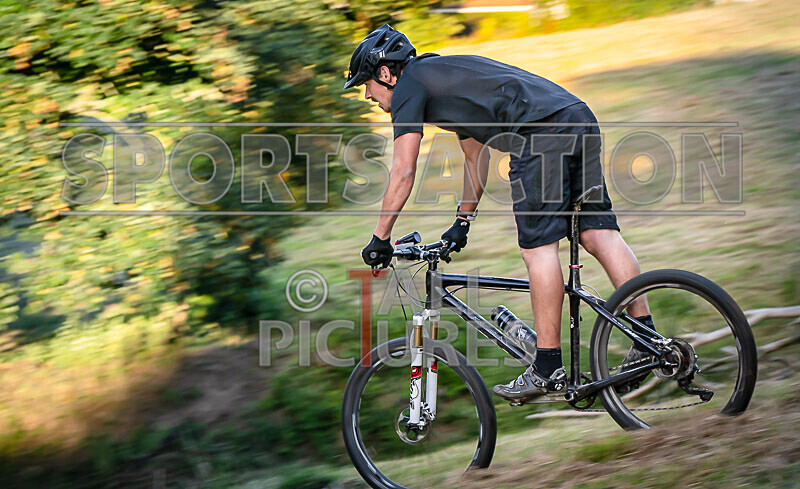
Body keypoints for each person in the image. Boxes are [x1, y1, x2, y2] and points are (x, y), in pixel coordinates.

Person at [346, 25, 654, 402]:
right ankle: (647, 338)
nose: (368, 95)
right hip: (576, 116)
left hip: (538, 135)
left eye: (367, 85)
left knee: (538, 249)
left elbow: (403, 171)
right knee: (596, 233)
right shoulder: (445, 77)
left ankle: (546, 366)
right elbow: (476, 157)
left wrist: (380, 238)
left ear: (385, 73)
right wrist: (463, 221)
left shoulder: (409, 87)